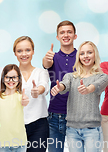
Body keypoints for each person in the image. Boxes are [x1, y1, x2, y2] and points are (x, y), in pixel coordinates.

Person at [50, 41, 108, 152]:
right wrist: (59, 87)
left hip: (92, 130)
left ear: (95, 55)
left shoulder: (102, 76)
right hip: (72, 130)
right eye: (82, 53)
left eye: (89, 52)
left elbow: (96, 86)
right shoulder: (71, 76)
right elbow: (65, 84)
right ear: (79, 57)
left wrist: (88, 89)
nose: (85, 56)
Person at [42, 20, 77, 152]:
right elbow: (46, 63)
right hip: (54, 117)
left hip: (76, 116)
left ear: (75, 36)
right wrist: (46, 59)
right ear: (57, 37)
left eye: (69, 32)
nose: (66, 35)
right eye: (62, 32)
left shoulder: (82, 57)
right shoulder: (52, 57)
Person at [13, 36, 50, 152]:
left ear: (33, 51)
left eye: (27, 50)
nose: (24, 54)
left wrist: (38, 90)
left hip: (39, 125)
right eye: (19, 51)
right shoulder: (10, 74)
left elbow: (44, 85)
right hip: (15, 125)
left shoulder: (41, 72)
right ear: (15, 53)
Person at [0, 64, 30, 152]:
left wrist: (25, 100)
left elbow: (24, 101)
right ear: (3, 79)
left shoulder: (21, 97)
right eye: (7, 77)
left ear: (19, 79)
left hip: (20, 143)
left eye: (14, 77)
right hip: (2, 145)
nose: (11, 80)